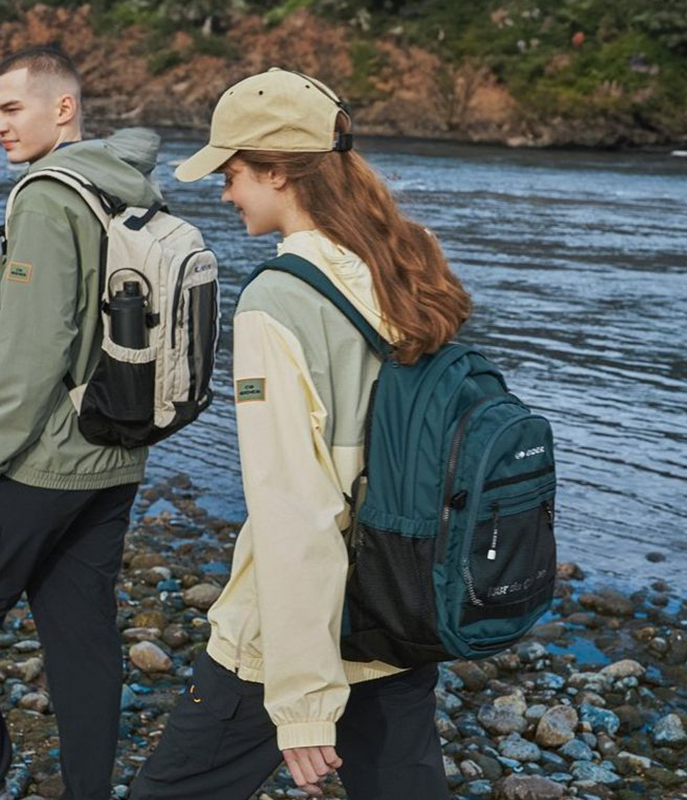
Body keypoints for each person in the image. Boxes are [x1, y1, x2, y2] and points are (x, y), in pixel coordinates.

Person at [130, 68, 471, 800]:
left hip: (291, 637)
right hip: (402, 604)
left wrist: (304, 703)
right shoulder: (408, 266)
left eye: (233, 173)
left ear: (279, 171)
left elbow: (297, 510)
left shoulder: (276, 301)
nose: (224, 193)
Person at [0, 46, 164, 800]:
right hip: (115, 451)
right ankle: (89, 789)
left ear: (63, 108)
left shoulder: (50, 196)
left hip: (38, 458)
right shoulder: (123, 184)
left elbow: (36, 349)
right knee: (80, 630)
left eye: (10, 108)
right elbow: (84, 309)